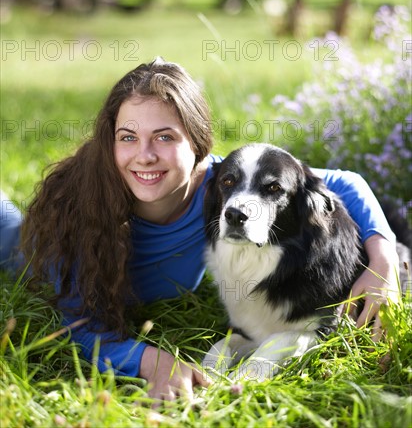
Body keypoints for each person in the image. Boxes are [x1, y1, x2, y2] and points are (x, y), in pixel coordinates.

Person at [1, 58, 400, 404]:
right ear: (111, 143)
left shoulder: (224, 185)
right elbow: (79, 329)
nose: (145, 155)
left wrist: (382, 263)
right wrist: (154, 361)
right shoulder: (76, 216)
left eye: (165, 136)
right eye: (128, 137)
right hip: (19, 250)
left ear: (200, 147)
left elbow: (345, 182)